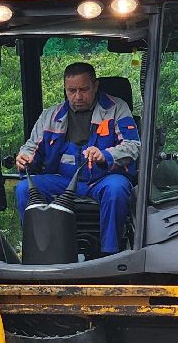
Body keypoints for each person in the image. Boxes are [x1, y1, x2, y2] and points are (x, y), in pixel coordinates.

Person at [15, 62, 140, 255]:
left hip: (103, 178)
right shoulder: (50, 116)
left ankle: (110, 254)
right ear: (65, 89)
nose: (78, 96)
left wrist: (105, 155)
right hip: (63, 180)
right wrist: (25, 157)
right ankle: (37, 252)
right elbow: (31, 147)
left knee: (117, 188)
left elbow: (133, 146)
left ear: (96, 86)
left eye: (84, 89)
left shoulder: (117, 108)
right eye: (71, 90)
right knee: (24, 188)